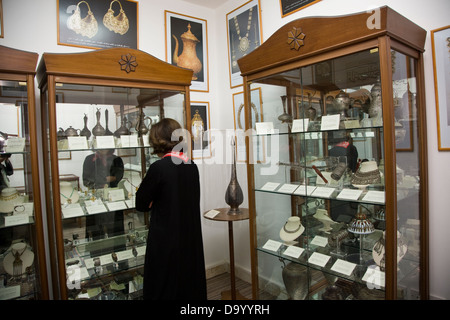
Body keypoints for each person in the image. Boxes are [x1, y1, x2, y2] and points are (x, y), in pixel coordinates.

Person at [136, 118, 206, 300]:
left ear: (157, 141)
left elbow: (141, 204)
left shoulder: (158, 168)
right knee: (186, 284)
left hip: (165, 240)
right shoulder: (191, 165)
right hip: (189, 237)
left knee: (164, 286)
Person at [82, 149, 125, 241]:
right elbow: (86, 180)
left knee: (116, 230)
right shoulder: (90, 159)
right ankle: (96, 252)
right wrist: (107, 179)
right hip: (95, 198)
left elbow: (119, 176)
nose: (104, 148)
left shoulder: (117, 159)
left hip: (113, 196)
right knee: (96, 231)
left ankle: (118, 251)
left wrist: (104, 179)